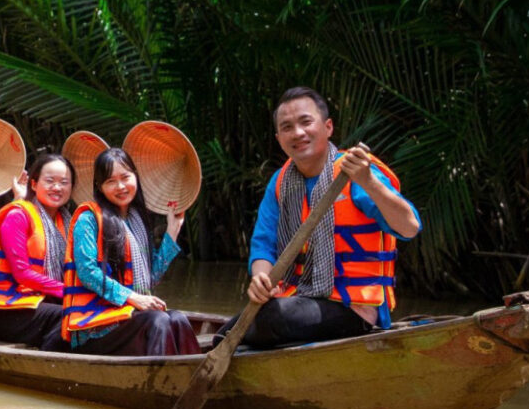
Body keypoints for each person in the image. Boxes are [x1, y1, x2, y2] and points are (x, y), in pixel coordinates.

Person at [225, 86, 421, 349]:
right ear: (278, 138)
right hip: (298, 298)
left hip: (354, 308)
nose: (297, 133)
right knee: (229, 331)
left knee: (269, 318)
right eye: (287, 127)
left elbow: (409, 227)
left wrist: (369, 181)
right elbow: (264, 245)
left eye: (305, 122)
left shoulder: (356, 173)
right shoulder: (281, 182)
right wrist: (261, 279)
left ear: (328, 127)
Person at [50, 148, 200, 356]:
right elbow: (87, 272)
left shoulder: (137, 219)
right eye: (110, 181)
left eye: (125, 177)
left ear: (135, 177)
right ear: (100, 188)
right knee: (158, 320)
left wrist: (172, 231)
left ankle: (191, 374)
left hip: (128, 315)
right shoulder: (88, 219)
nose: (120, 186)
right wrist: (133, 298)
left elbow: (151, 277)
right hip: (94, 326)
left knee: (178, 319)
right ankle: (160, 383)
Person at [0, 153, 72, 347]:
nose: (57, 188)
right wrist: (69, 292)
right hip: (10, 308)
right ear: (34, 185)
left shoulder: (67, 221)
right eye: (50, 181)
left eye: (64, 182)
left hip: (44, 301)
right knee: (70, 317)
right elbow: (22, 274)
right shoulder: (17, 216)